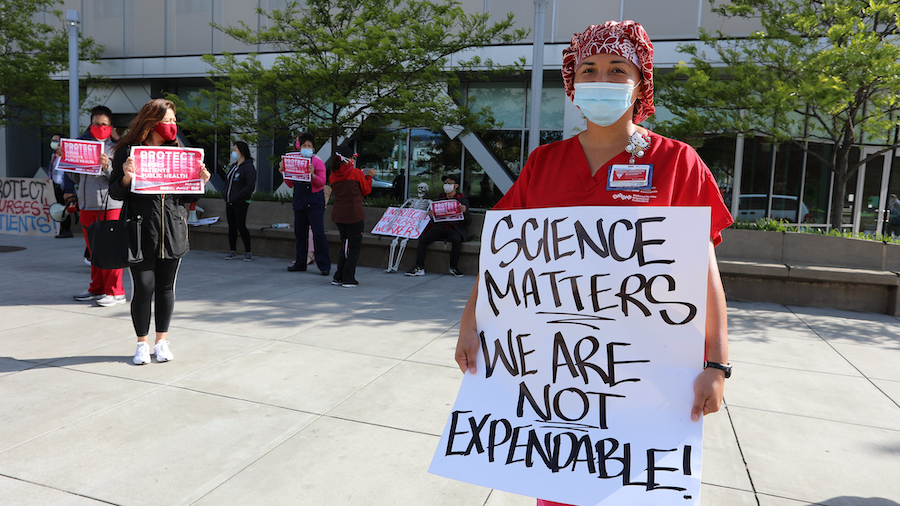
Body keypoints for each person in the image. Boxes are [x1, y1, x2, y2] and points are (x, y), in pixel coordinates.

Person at [451, 21, 734, 506]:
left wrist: (716, 363)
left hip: (646, 378)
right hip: (558, 379)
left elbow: (702, 271)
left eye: (617, 68)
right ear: (573, 82)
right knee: (559, 487)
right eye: (589, 68)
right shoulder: (543, 164)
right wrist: (470, 322)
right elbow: (507, 257)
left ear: (641, 81)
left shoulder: (677, 163)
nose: (601, 78)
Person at [108, 98, 211, 365]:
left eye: (174, 121)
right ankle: (142, 343)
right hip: (141, 229)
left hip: (173, 228)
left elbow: (189, 196)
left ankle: (162, 341)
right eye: (168, 121)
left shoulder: (178, 150)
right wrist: (127, 175)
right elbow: (115, 192)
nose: (172, 126)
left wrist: (201, 180)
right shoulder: (129, 151)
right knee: (143, 287)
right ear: (152, 122)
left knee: (166, 287)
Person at [65, 106, 126, 307]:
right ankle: (97, 288)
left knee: (110, 249)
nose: (100, 127)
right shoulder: (83, 146)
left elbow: (120, 179)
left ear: (111, 126)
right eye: (96, 124)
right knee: (94, 251)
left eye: (104, 124)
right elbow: (76, 177)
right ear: (90, 125)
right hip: (87, 204)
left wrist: (107, 166)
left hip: (110, 205)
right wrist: (66, 163)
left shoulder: (119, 148)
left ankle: (115, 292)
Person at [280, 132, 330, 275]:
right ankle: (300, 262)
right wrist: (283, 172)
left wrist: (313, 174)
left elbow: (321, 182)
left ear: (313, 149)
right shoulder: (294, 161)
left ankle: (324, 265)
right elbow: (290, 184)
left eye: (309, 146)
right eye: (304, 145)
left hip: (315, 201)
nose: (306, 148)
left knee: (318, 233)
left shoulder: (317, 162)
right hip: (300, 200)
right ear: (299, 148)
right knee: (300, 234)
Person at [406, 174, 470, 278]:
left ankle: (454, 267)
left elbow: (468, 221)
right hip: (440, 228)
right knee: (423, 239)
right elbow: (435, 219)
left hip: (454, 229)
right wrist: (432, 215)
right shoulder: (439, 198)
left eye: (450, 183)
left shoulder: (462, 200)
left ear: (456, 186)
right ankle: (419, 267)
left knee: (456, 240)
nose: (447, 185)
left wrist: (465, 211)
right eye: (446, 183)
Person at [329, 147, 374, 287]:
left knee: (345, 245)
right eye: (352, 158)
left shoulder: (332, 175)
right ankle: (348, 278)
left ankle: (339, 276)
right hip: (354, 214)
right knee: (353, 247)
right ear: (348, 159)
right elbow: (366, 190)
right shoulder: (356, 173)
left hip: (339, 213)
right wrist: (370, 177)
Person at [385, 182, 432, 273]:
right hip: (406, 223)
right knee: (394, 241)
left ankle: (395, 266)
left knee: (404, 241)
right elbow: (400, 208)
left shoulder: (428, 202)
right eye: (419, 187)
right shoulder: (411, 200)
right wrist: (392, 221)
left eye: (422, 188)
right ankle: (390, 266)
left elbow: (428, 211)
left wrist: (420, 222)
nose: (420, 190)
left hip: (416, 224)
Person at [223, 141, 257, 261]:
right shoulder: (234, 167)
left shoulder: (248, 167)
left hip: (241, 202)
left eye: (235, 150)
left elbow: (249, 186)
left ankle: (248, 251)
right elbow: (228, 182)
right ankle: (232, 250)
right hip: (229, 201)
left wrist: (237, 196)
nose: (233, 153)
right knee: (231, 226)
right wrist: (225, 193)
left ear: (241, 152)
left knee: (240, 225)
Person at [47, 133, 74, 238]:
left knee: (64, 208)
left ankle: (67, 229)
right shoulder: (53, 155)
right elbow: (51, 168)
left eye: (55, 141)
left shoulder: (66, 155)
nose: (53, 143)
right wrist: (49, 178)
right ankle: (61, 228)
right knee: (58, 207)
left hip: (63, 186)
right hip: (55, 184)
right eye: (52, 140)